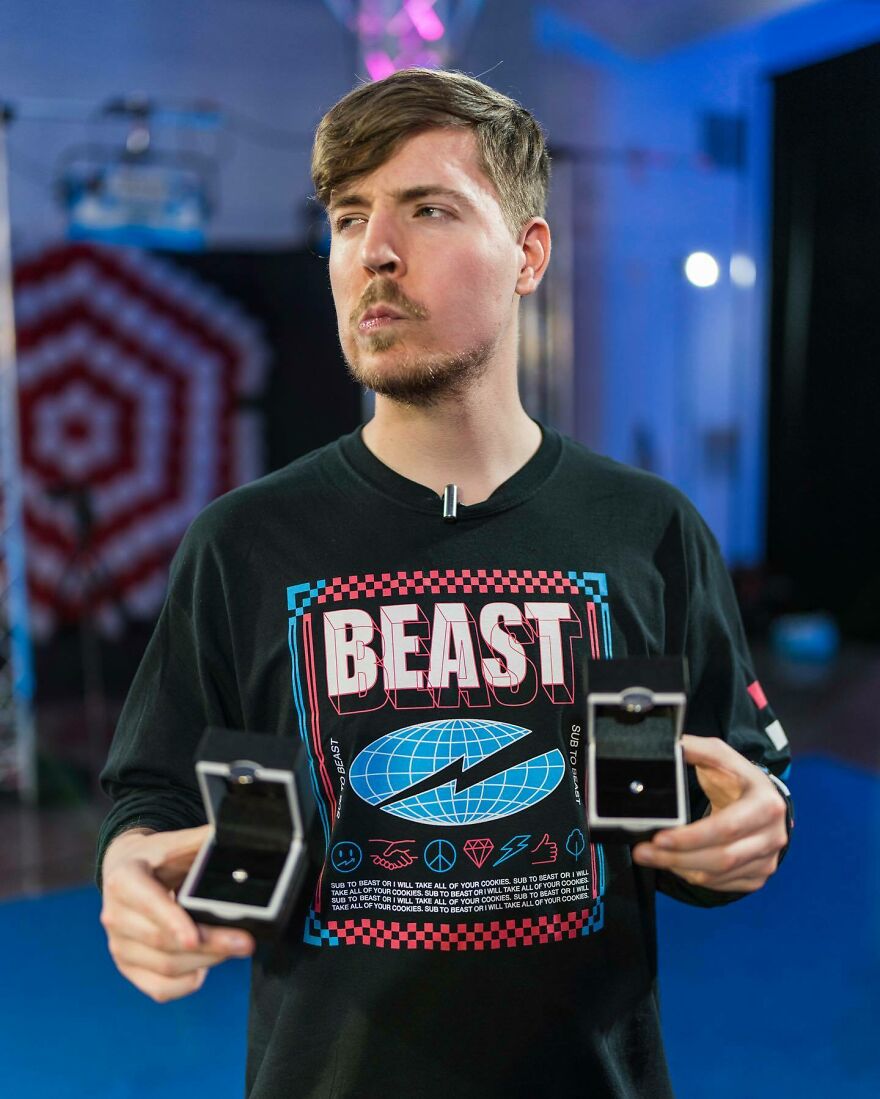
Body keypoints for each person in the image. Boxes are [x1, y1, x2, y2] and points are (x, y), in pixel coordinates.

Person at [97, 68, 793, 1098]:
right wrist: (129, 869)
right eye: (347, 217)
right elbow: (151, 790)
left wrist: (754, 825)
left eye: (427, 209)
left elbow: (728, 778)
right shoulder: (243, 543)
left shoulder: (646, 530)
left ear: (527, 253)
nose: (374, 250)